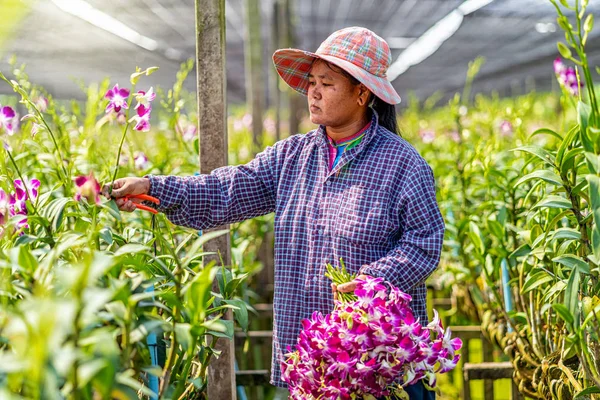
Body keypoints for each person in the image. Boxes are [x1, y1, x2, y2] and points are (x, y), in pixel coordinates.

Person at [104, 27, 444, 400]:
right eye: (311, 82)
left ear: (362, 93)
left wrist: (375, 280)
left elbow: (424, 242)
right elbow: (225, 190)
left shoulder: (403, 164)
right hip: (312, 364)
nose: (312, 92)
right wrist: (154, 189)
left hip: (377, 363)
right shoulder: (292, 157)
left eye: (327, 84)